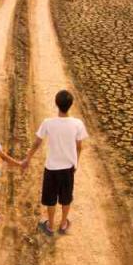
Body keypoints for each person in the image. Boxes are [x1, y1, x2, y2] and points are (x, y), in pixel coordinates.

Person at [22, 90, 89, 235]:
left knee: (50, 198)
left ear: (56, 104)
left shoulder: (48, 123)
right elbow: (79, 147)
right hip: (68, 168)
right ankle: (63, 223)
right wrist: (75, 163)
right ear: (70, 105)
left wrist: (27, 158)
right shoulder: (77, 124)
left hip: (51, 168)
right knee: (66, 197)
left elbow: (36, 143)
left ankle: (50, 226)